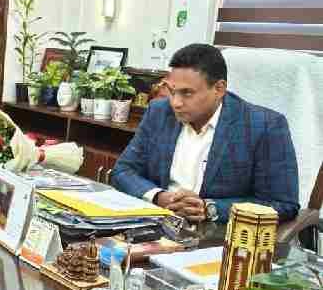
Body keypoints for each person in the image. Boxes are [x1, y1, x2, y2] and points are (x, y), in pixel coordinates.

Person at [111, 44, 300, 224]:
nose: (176, 103)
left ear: (219, 89)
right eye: (172, 91)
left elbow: (282, 204)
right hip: (157, 221)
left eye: (187, 93)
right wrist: (159, 196)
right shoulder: (159, 112)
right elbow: (123, 171)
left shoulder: (264, 126)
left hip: (216, 234)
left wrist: (209, 208)